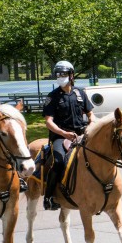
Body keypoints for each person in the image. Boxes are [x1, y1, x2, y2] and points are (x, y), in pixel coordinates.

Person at [42, 60, 94, 211]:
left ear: (71, 75)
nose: (60, 77)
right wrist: (63, 133)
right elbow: (48, 122)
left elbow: (91, 115)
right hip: (60, 136)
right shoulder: (52, 97)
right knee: (58, 162)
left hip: (81, 134)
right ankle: (49, 197)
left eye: (63, 74)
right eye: (58, 74)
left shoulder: (80, 93)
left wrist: (90, 126)